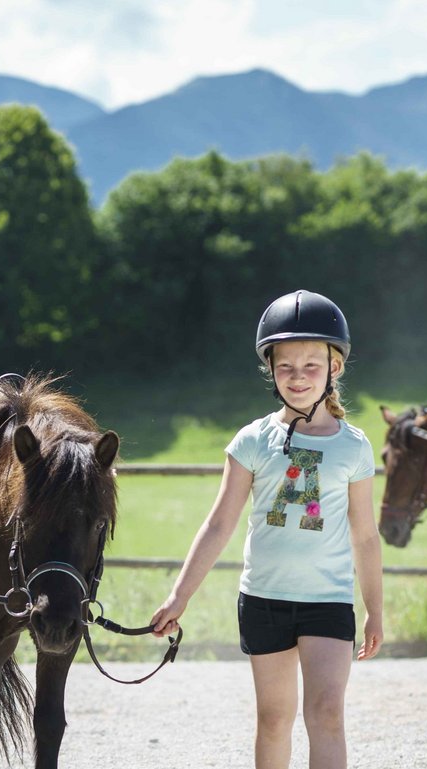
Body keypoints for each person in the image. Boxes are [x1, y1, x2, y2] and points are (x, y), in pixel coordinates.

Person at [150, 290, 384, 769]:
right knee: (274, 720)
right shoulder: (252, 440)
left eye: (311, 366)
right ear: (271, 370)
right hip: (265, 601)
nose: (298, 378)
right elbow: (219, 524)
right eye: (286, 367)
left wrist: (375, 609)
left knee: (326, 715)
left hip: (328, 600)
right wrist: (179, 597)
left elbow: (365, 536)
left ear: (334, 368)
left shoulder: (354, 448)